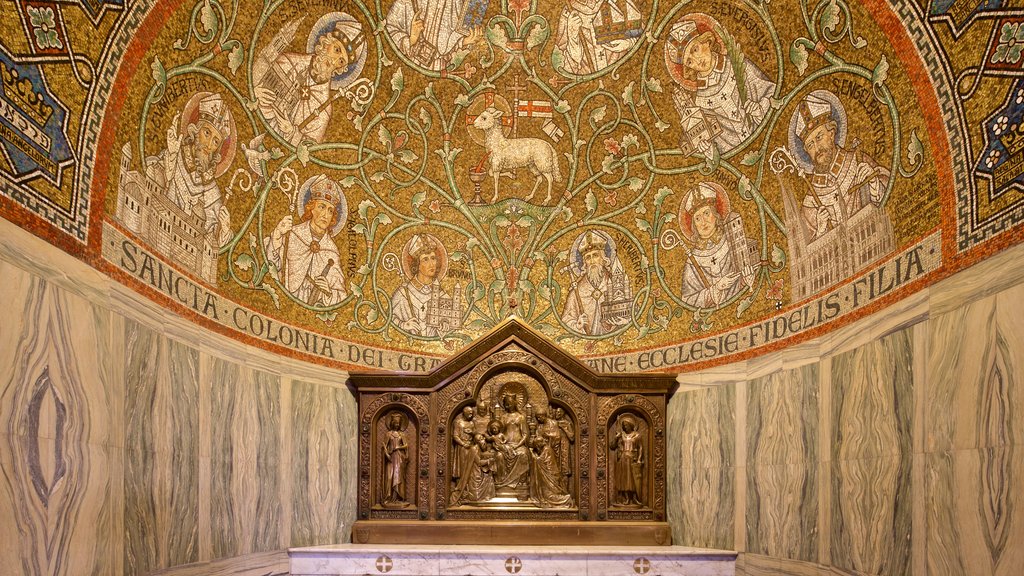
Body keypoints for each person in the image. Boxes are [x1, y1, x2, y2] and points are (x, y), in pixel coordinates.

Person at [665, 14, 775, 158]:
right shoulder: (700, 101)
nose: (697, 60)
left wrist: (760, 109)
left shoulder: (737, 65)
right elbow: (718, 144)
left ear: (706, 42)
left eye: (695, 50)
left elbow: (772, 91)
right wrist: (708, 149)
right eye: (690, 62)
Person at [791, 91, 891, 238]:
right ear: (806, 152)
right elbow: (807, 250)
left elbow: (889, 202)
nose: (817, 148)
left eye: (819, 137)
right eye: (810, 145)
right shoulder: (810, 201)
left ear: (832, 133)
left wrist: (874, 184)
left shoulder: (859, 161)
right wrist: (821, 230)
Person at [255, 16, 364, 145]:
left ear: (342, 68)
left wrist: (291, 132)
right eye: (336, 50)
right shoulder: (289, 61)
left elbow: (309, 152)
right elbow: (252, 80)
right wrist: (255, 92)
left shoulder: (324, 110)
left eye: (341, 61)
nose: (333, 61)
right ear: (327, 42)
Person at [147, 92, 234, 245]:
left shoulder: (213, 192)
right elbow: (152, 180)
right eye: (207, 133)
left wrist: (225, 229)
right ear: (195, 130)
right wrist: (171, 158)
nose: (208, 145)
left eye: (215, 142)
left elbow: (212, 240)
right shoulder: (174, 156)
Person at [264, 176, 348, 306]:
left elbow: (341, 296)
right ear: (311, 208)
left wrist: (328, 292)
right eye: (322, 207)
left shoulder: (331, 251)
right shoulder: (292, 235)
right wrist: (277, 236)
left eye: (330, 211)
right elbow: (272, 267)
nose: (326, 215)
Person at [679, 183, 755, 309]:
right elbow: (687, 300)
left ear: (716, 215)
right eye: (697, 218)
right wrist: (716, 289)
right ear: (694, 226)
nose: (703, 222)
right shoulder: (693, 260)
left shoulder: (732, 242)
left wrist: (746, 279)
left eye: (706, 213)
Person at [560, 231, 632, 336]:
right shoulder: (576, 292)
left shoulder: (617, 283)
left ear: (603, 259)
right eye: (588, 257)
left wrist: (623, 321)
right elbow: (566, 320)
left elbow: (632, 310)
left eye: (595, 255)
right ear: (584, 263)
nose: (592, 260)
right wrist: (577, 325)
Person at [385, 0, 483, 70]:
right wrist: (411, 38)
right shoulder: (406, 2)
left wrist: (465, 41)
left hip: (441, 69)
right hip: (410, 67)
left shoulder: (457, 3)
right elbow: (389, 31)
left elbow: (451, 44)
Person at [390, 234, 455, 336]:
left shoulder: (443, 296)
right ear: (417, 265)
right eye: (425, 259)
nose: (431, 263)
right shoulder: (403, 294)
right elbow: (390, 319)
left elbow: (452, 323)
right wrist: (403, 325)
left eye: (433, 258)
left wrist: (445, 324)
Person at [555, 0, 642, 75]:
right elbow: (562, 63)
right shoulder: (568, 13)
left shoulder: (617, 2)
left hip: (621, 72)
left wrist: (630, 43)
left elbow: (643, 35)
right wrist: (573, 37)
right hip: (587, 80)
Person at [529, 409, 574, 508]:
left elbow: (557, 436)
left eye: (540, 417)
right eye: (537, 418)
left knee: (556, 472)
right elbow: (537, 437)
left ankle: (560, 493)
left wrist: (546, 436)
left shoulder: (553, 423)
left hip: (554, 451)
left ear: (544, 415)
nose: (539, 419)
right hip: (543, 450)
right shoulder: (539, 426)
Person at [494, 393, 531, 496]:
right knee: (499, 456)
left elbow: (525, 435)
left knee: (523, 454)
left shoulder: (520, 417)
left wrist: (517, 445)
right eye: (506, 404)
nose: (507, 406)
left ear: (514, 403)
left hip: (518, 445)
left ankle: (521, 483)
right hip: (506, 445)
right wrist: (500, 441)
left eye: (509, 404)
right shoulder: (503, 417)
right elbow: (499, 432)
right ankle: (501, 482)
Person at [449, 434, 497, 505]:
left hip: (480, 471)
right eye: (480, 439)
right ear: (477, 442)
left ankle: (488, 496)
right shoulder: (474, 449)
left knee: (489, 476)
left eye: (483, 438)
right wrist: (488, 461)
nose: (483, 440)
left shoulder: (480, 448)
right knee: (478, 491)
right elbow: (479, 462)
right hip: (475, 474)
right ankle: (474, 497)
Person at [609, 414, 643, 506]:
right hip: (623, 459)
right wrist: (616, 438)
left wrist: (639, 459)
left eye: (626, 425)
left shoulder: (636, 435)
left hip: (632, 459)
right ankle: (627, 498)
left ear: (631, 425)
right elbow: (612, 446)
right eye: (623, 426)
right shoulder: (621, 435)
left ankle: (635, 497)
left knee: (633, 480)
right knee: (624, 479)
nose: (625, 427)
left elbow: (640, 448)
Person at [382, 413, 409, 505]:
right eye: (395, 423)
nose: (397, 425)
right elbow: (384, 446)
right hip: (391, 458)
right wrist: (387, 454)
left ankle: (398, 498)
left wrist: (398, 447)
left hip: (399, 457)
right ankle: (388, 498)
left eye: (398, 423)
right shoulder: (388, 434)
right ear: (392, 423)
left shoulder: (402, 434)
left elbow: (406, 445)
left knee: (398, 477)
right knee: (390, 477)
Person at [552, 407, 575, 491]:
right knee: (555, 468)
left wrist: (565, 429)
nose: (557, 414)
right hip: (554, 447)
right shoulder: (553, 423)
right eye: (556, 412)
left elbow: (572, 437)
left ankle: (565, 491)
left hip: (564, 446)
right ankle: (555, 490)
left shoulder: (567, 423)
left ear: (562, 413)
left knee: (565, 469)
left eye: (559, 412)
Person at [452, 406, 476, 482]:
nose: (471, 414)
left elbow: (475, 434)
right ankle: (461, 485)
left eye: (472, 413)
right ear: (464, 413)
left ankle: (470, 484)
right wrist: (463, 444)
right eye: (469, 413)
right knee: (462, 466)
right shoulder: (459, 423)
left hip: (471, 446)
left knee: (471, 466)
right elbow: (455, 436)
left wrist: (472, 433)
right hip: (462, 447)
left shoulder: (472, 423)